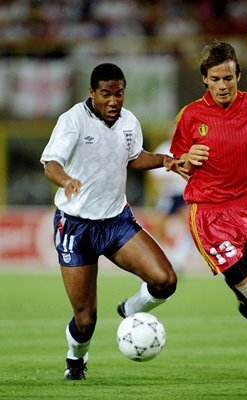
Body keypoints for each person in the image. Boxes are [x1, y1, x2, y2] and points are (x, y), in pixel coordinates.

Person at [40, 63, 188, 380]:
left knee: (165, 281)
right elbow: (51, 164)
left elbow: (134, 157)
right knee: (85, 319)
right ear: (91, 92)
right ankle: (75, 361)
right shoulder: (73, 120)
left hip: (116, 222)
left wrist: (165, 161)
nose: (113, 101)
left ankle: (131, 310)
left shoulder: (129, 121)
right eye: (105, 94)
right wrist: (65, 181)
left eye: (118, 93)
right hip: (76, 227)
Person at [170, 41, 247, 343]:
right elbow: (175, 162)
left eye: (228, 78)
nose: (222, 86)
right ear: (205, 79)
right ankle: (246, 292)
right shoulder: (190, 116)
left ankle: (241, 292)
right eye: (215, 79)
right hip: (211, 219)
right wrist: (185, 160)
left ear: (238, 76)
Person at [150, 133, 192, 272]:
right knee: (159, 226)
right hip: (168, 194)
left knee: (190, 226)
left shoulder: (188, 149)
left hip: (183, 193)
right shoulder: (163, 149)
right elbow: (155, 176)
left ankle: (180, 257)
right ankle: (165, 256)